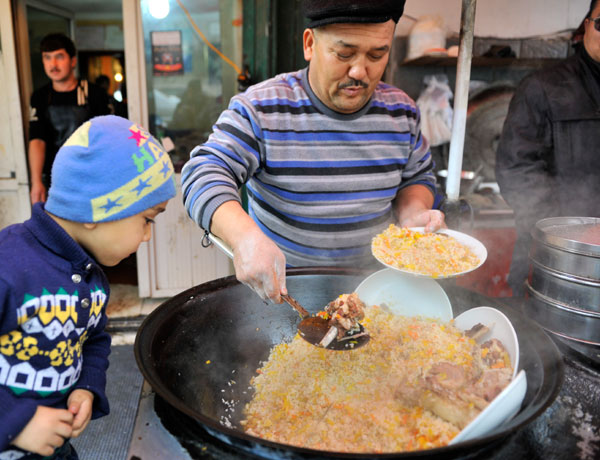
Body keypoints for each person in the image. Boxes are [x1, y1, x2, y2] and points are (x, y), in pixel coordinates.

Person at [181, 0, 444, 303]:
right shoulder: (261, 109)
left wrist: (414, 212)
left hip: (377, 291)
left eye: (377, 54)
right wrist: (244, 238)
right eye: (344, 53)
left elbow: (418, 177)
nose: (360, 71)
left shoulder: (402, 112)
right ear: (309, 44)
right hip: (286, 295)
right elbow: (203, 173)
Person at [0, 115, 176, 459]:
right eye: (147, 219)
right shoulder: (9, 267)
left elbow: (93, 339)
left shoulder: (90, 278)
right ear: (95, 210)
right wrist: (17, 421)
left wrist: (85, 386)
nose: (147, 235)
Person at [495, 0, 600, 297]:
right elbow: (516, 171)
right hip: (553, 263)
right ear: (586, 26)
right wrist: (567, 238)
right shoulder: (542, 88)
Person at [28, 33, 111, 204]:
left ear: (73, 61)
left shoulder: (94, 94)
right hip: (55, 180)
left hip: (91, 178)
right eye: (47, 58)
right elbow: (37, 140)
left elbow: (108, 139)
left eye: (59, 57)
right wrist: (36, 182)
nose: (53, 64)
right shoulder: (40, 97)